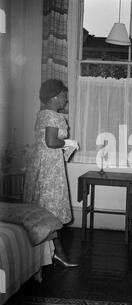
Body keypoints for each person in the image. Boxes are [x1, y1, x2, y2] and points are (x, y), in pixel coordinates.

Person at [24, 79, 79, 267]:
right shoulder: (54, 116)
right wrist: (69, 143)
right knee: (51, 209)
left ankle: (47, 253)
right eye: (64, 96)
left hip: (40, 163)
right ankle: (59, 253)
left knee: (42, 208)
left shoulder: (41, 114)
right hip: (49, 168)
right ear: (54, 97)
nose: (66, 100)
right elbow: (51, 142)